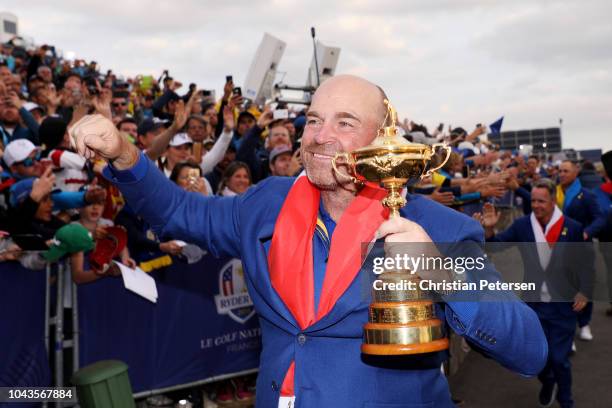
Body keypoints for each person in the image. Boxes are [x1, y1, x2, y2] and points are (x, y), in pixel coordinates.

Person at [70, 74, 547, 408]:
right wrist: (125, 153)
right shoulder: (265, 204)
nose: (320, 136)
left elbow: (528, 351)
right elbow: (176, 211)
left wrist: (439, 272)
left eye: (344, 122)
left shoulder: (434, 227)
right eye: (314, 120)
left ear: (384, 139)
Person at [477, 179, 593, 408]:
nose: (537, 205)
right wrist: (489, 229)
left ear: (553, 201)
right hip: (534, 306)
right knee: (541, 359)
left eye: (542, 201)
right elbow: (495, 246)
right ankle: (547, 382)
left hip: (563, 306)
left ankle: (566, 400)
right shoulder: (523, 226)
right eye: (533, 201)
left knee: (560, 360)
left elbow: (586, 264)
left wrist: (584, 291)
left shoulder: (573, 227)